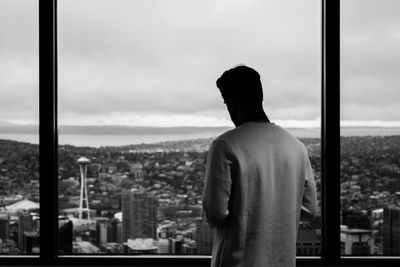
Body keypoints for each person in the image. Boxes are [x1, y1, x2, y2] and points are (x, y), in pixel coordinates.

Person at [202, 65, 317, 267]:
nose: (228, 110)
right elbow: (309, 209)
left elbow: (214, 214)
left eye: (227, 102)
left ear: (234, 102)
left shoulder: (225, 145)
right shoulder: (297, 147)